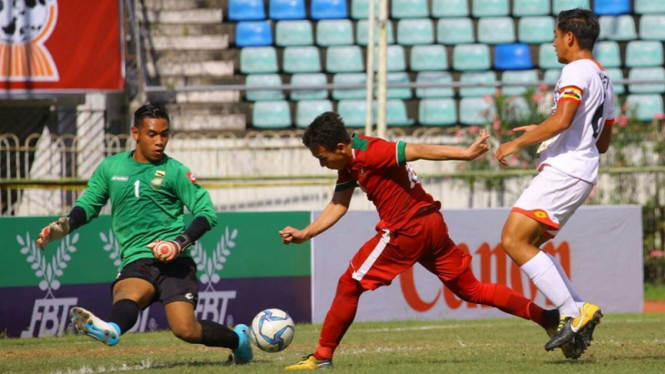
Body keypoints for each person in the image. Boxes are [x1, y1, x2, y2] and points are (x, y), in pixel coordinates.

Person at [279, 112, 559, 370]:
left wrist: (466, 154)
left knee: (349, 285)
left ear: (340, 147)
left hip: (406, 230)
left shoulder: (371, 151)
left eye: (322, 158)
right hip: (431, 225)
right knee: (471, 290)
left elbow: (418, 150)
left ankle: (322, 357)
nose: (322, 164)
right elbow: (339, 204)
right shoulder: (350, 163)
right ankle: (547, 319)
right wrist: (306, 233)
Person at [35, 103, 253, 364]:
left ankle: (239, 341)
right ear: (135, 133)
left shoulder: (175, 171)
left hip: (175, 263)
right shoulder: (111, 167)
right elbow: (89, 204)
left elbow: (207, 214)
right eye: (153, 134)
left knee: (185, 330)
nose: (160, 141)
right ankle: (112, 330)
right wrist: (67, 225)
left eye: (165, 134)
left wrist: (178, 243)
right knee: (127, 296)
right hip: (137, 259)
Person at [495, 8, 613, 357]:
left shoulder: (575, 70)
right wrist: (547, 131)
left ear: (570, 37)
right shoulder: (604, 78)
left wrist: (516, 143)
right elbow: (602, 142)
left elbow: (563, 120)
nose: (553, 43)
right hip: (582, 171)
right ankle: (574, 315)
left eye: (555, 35)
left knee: (513, 240)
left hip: (565, 170)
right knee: (529, 242)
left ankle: (574, 312)